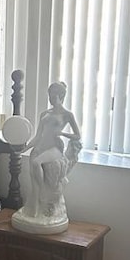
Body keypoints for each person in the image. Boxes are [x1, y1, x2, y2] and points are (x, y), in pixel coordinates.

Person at [21, 81, 82, 223]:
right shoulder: (45, 113)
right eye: (49, 95)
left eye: (53, 95)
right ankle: (34, 208)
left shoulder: (67, 115)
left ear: (61, 96)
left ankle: (44, 194)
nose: (50, 98)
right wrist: (24, 149)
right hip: (41, 146)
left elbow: (77, 135)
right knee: (33, 175)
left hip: (55, 147)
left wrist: (62, 133)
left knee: (37, 162)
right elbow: (37, 136)